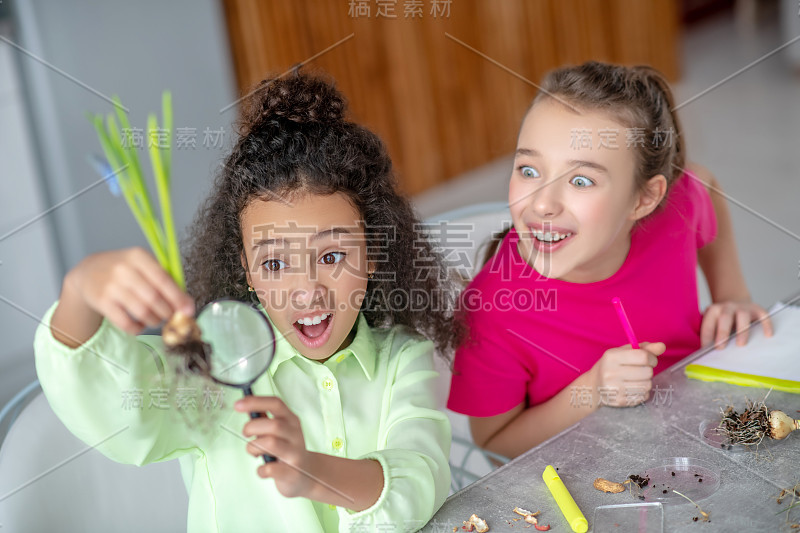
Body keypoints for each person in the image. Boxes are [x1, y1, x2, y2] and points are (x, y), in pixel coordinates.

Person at [34, 72, 460, 532]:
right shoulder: (213, 367)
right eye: (276, 264)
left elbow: (421, 477)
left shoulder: (404, 359)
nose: (307, 290)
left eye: (332, 256)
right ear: (248, 271)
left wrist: (310, 472)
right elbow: (119, 404)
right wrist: (78, 292)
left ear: (373, 254)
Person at [447, 61, 773, 459]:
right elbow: (494, 441)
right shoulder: (490, 309)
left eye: (581, 180)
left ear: (644, 198)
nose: (543, 203)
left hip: (702, 434)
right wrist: (592, 391)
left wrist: (732, 293)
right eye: (529, 169)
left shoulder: (675, 209)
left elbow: (703, 184)